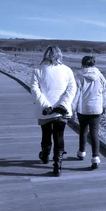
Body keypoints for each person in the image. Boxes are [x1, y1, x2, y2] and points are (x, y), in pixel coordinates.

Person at [31, 46, 76, 177]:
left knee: (46, 133)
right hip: (62, 110)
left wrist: (46, 106)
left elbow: (35, 90)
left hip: (45, 110)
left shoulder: (38, 70)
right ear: (59, 55)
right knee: (59, 135)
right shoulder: (67, 70)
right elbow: (72, 89)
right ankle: (58, 165)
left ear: (46, 55)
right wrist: (63, 104)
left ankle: (45, 155)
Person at [72, 55, 106, 169]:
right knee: (94, 132)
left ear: (82, 64)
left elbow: (75, 95)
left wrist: (72, 109)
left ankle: (81, 152)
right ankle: (95, 157)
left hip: (83, 109)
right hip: (97, 109)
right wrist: (104, 106)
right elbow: (104, 92)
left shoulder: (78, 76)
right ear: (94, 64)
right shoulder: (100, 76)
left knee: (83, 130)